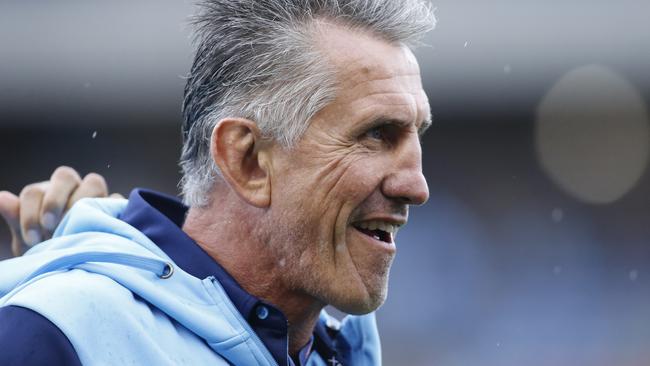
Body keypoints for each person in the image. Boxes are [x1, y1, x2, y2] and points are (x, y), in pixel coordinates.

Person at [0, 0, 434, 365]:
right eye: (376, 134)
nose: (416, 187)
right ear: (247, 161)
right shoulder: (58, 333)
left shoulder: (330, 351)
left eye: (416, 136)